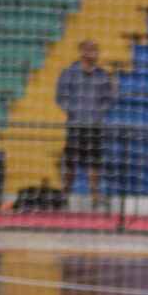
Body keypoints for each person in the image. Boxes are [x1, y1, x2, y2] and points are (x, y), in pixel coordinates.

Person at [54, 38, 116, 207]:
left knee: (94, 162)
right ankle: (64, 196)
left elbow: (110, 99)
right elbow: (60, 97)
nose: (92, 51)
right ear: (81, 51)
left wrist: (98, 113)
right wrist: (75, 111)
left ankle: (95, 197)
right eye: (89, 48)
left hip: (95, 126)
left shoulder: (102, 74)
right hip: (76, 125)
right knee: (70, 162)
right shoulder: (69, 72)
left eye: (94, 48)